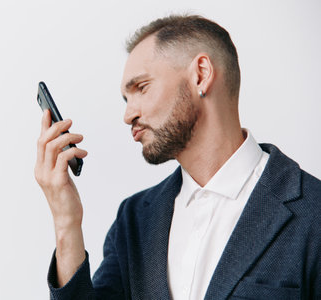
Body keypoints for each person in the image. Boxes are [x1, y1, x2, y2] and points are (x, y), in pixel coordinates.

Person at [34, 14, 321, 299]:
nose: (128, 115)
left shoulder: (313, 213)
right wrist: (66, 221)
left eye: (141, 88)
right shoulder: (134, 220)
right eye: (126, 99)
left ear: (201, 74)